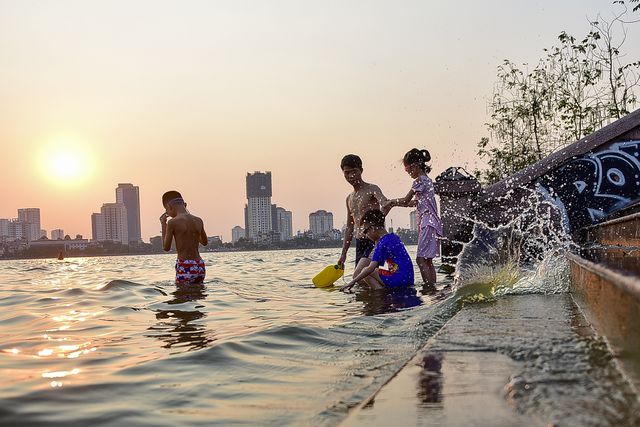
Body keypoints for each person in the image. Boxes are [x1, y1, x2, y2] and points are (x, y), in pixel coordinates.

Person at [384, 148, 442, 287]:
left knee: (420, 259)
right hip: (432, 223)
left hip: (427, 222)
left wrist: (391, 202)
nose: (408, 172)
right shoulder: (427, 180)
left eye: (407, 169)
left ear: (415, 165)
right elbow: (413, 203)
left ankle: (428, 287)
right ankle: (432, 287)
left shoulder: (418, 181)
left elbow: (405, 200)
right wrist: (394, 204)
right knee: (427, 260)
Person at [337, 154, 389, 282]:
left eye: (354, 172)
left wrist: (375, 223)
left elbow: (385, 204)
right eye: (347, 173)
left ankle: (390, 291)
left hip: (374, 239)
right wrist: (343, 254)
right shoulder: (349, 198)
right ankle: (380, 297)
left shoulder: (372, 189)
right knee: (362, 281)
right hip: (360, 242)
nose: (351, 176)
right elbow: (350, 227)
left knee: (360, 275)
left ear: (361, 170)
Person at [340, 209, 414, 292]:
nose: (365, 235)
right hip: (409, 279)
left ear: (373, 228)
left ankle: (379, 293)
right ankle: (384, 291)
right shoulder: (394, 237)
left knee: (365, 271)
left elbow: (370, 268)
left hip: (398, 280)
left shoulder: (381, 244)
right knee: (372, 271)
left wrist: (352, 282)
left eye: (365, 231)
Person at [161, 191, 209, 285]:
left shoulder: (172, 222)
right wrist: (193, 232)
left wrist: (163, 225)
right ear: (185, 205)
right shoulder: (198, 220)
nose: (168, 214)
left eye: (166, 210)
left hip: (185, 265)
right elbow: (204, 242)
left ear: (169, 207)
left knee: (182, 296)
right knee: (198, 294)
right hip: (199, 265)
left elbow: (166, 248)